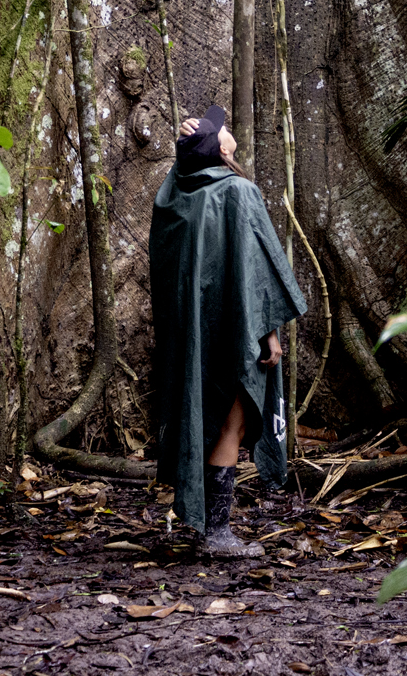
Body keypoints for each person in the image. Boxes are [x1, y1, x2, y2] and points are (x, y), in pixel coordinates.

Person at [149, 105, 307, 557]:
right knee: (232, 424)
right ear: (220, 150)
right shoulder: (238, 191)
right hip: (237, 330)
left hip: (196, 335)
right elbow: (258, 272)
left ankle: (207, 527)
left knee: (207, 416)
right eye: (220, 130)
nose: (227, 129)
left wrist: (188, 151)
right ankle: (216, 534)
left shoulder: (181, 195)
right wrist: (269, 332)